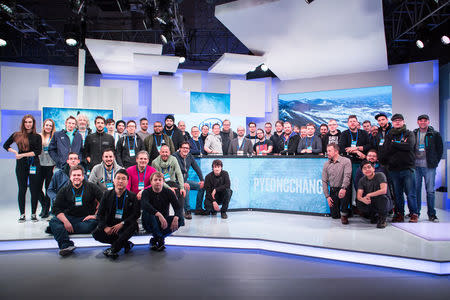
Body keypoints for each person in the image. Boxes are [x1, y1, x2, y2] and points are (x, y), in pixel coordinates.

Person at [49, 165, 103, 256]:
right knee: (53, 221)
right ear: (70, 177)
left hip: (86, 219)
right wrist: (66, 221)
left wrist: (95, 216)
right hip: (69, 217)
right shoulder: (64, 190)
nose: (76, 177)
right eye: (74, 175)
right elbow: (55, 208)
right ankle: (66, 245)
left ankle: (61, 230)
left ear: (83, 176)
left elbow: (104, 201)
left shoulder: (91, 187)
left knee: (93, 224)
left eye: (78, 175)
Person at [92, 169, 140, 259]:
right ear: (114, 181)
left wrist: (122, 223)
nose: (120, 181)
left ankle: (114, 249)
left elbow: (136, 214)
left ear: (127, 181)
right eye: (118, 178)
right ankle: (125, 244)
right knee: (96, 234)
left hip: (125, 225)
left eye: (123, 179)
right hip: (110, 225)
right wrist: (105, 227)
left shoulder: (132, 196)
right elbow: (100, 214)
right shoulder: (106, 194)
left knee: (133, 225)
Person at [379, 113, 418, 223]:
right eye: (395, 120)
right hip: (394, 170)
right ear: (393, 122)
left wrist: (394, 145)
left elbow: (409, 146)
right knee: (397, 194)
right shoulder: (389, 135)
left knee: (410, 193)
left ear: (403, 122)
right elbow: (386, 150)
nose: (397, 122)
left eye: (399, 120)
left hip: (408, 168)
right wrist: (400, 145)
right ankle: (399, 213)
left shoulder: (409, 133)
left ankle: (414, 213)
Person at [3, 114, 42, 222]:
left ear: (33, 123)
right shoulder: (17, 135)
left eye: (30, 122)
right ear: (23, 123)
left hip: (34, 164)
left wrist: (22, 155)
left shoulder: (37, 136)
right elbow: (5, 145)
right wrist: (15, 152)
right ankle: (22, 214)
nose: (28, 124)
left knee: (34, 189)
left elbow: (37, 152)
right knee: (22, 189)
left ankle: (33, 214)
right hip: (21, 165)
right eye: (26, 122)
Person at [141, 172, 183, 251]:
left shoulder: (169, 192)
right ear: (151, 182)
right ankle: (160, 239)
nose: (157, 182)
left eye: (160, 180)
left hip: (163, 222)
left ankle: (156, 239)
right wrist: (158, 214)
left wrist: (176, 217)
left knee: (181, 219)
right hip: (149, 221)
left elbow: (178, 207)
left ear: (163, 182)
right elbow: (144, 205)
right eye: (155, 180)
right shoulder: (146, 192)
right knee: (148, 212)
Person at [413, 114, 443, 222]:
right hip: (416, 167)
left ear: (428, 122)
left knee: (430, 191)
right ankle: (416, 213)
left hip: (429, 167)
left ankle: (431, 214)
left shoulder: (434, 134)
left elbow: (440, 150)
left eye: (425, 121)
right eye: (420, 121)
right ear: (418, 122)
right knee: (416, 190)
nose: (422, 122)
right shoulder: (414, 133)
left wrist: (434, 162)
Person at [322, 143, 352, 224]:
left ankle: (345, 212)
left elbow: (347, 176)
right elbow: (324, 181)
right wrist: (327, 196)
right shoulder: (326, 164)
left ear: (336, 151)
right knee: (334, 216)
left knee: (343, 215)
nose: (327, 152)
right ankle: (345, 210)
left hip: (343, 188)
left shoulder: (346, 161)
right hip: (333, 190)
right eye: (327, 151)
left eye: (329, 151)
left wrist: (344, 188)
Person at [173, 142, 205, 219]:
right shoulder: (174, 157)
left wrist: (202, 180)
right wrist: (182, 183)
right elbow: (176, 172)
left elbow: (197, 168)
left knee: (202, 187)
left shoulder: (190, 156)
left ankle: (198, 208)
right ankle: (187, 211)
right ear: (180, 148)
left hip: (185, 181)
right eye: (183, 148)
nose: (185, 150)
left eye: (187, 148)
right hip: (176, 182)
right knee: (186, 187)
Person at [151, 145, 186, 213]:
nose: (165, 154)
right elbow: (157, 179)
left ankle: (179, 215)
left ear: (169, 152)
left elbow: (179, 173)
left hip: (172, 182)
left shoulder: (173, 159)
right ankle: (163, 215)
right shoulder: (155, 162)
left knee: (181, 192)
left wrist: (182, 187)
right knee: (163, 193)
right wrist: (169, 188)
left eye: (166, 152)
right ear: (160, 152)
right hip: (160, 184)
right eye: (163, 152)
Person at [356, 160, 389, 229]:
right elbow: (359, 196)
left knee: (382, 198)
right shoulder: (362, 180)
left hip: (383, 201)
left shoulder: (380, 175)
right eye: (364, 168)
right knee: (358, 201)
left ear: (373, 168)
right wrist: (363, 199)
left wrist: (369, 194)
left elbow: (384, 190)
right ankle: (372, 215)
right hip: (371, 201)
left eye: (369, 167)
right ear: (362, 171)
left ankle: (383, 219)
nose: (367, 169)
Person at [37, 118, 56, 218]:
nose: (48, 127)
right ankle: (44, 204)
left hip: (50, 165)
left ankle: (46, 209)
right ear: (44, 126)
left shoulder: (54, 137)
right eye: (46, 125)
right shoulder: (39, 136)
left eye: (50, 125)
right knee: (37, 188)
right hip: (40, 164)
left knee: (48, 188)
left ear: (52, 127)